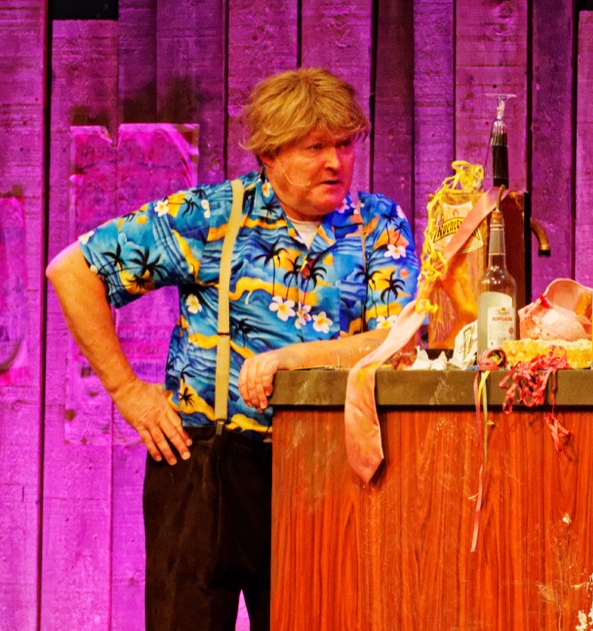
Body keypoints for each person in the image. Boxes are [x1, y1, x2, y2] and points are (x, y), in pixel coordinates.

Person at [46, 67, 420, 630]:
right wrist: (129, 392)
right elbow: (73, 270)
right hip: (205, 466)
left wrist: (293, 360)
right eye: (315, 147)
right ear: (269, 154)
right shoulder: (213, 216)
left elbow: (400, 341)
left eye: (344, 144)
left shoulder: (377, 224)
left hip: (324, 470)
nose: (335, 163)